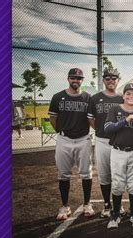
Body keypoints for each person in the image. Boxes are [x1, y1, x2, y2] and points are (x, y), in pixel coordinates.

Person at [48, 68, 94, 220]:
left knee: (86, 173)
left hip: (83, 139)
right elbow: (53, 119)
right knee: (63, 173)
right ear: (68, 79)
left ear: (82, 80)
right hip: (64, 139)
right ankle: (65, 205)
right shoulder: (58, 97)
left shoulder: (88, 97)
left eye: (79, 78)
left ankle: (87, 204)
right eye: (73, 77)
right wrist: (62, 132)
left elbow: (91, 119)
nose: (76, 80)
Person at [104, 83, 133, 229]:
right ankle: (115, 214)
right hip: (117, 151)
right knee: (117, 184)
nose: (131, 97)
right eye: (129, 94)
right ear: (124, 95)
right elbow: (108, 128)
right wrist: (126, 120)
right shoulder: (115, 109)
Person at [87, 69, 124, 218]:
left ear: (118, 80)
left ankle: (118, 205)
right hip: (102, 141)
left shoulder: (122, 98)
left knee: (119, 174)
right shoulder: (95, 98)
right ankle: (107, 204)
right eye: (107, 78)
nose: (110, 80)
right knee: (104, 175)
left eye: (114, 78)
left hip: (118, 141)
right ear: (103, 80)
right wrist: (102, 130)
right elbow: (90, 119)